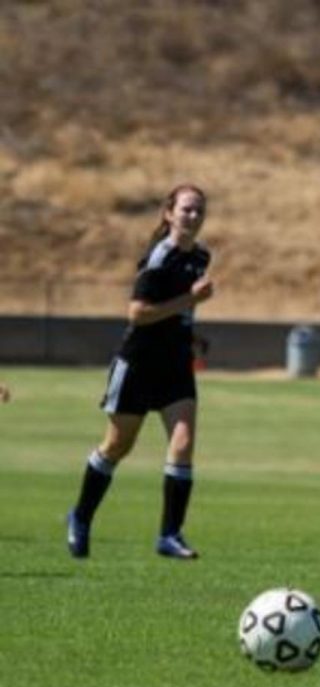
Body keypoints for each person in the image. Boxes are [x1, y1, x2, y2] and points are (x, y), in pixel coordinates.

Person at [66, 184, 214, 560]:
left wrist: (191, 333)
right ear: (169, 214)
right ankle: (81, 516)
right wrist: (191, 300)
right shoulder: (159, 257)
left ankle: (170, 534)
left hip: (176, 364)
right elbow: (137, 313)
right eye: (186, 210)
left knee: (182, 442)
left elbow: (175, 311)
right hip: (139, 364)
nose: (193, 217)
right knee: (117, 446)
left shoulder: (200, 257)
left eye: (199, 211)